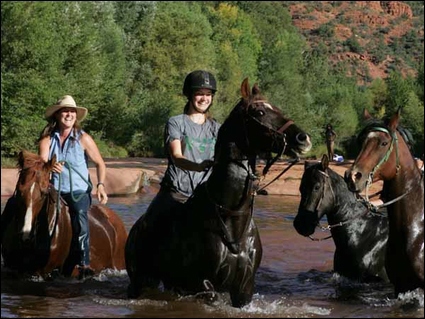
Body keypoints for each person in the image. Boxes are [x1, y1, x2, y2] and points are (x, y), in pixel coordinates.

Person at [140, 70, 221, 241]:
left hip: (206, 195)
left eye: (208, 94)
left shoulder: (217, 128)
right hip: (176, 192)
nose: (204, 98)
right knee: (150, 227)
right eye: (199, 94)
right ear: (190, 95)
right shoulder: (176, 122)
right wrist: (198, 166)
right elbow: (176, 156)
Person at [38, 95, 108, 279]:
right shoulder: (46, 140)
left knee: (79, 213)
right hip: (54, 190)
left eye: (72, 112)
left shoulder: (84, 138)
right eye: (65, 111)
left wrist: (100, 185)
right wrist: (49, 167)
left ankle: (84, 262)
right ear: (57, 115)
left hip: (77, 191)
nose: (69, 115)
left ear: (75, 116)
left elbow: (100, 164)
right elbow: (41, 166)